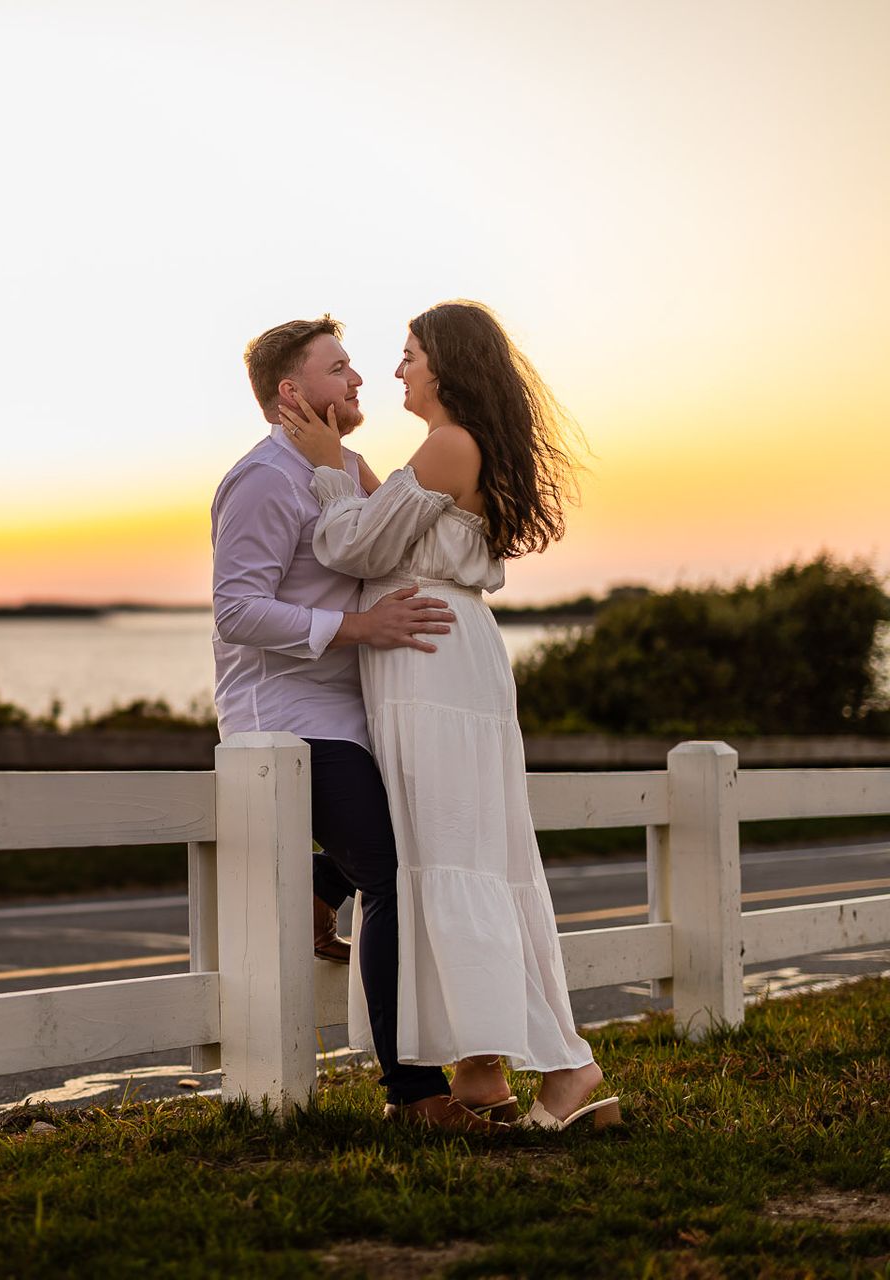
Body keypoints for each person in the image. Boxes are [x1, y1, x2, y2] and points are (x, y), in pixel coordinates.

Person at [279, 300, 618, 1130]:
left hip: (432, 662)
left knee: (451, 853)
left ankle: (569, 1067)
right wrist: (352, 470)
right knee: (451, 851)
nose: (397, 369)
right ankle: (478, 1073)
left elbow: (353, 546)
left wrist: (328, 469)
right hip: (435, 655)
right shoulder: (449, 448)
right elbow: (389, 525)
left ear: (447, 365)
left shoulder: (449, 443)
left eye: (410, 354)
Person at [213, 315, 503, 1132]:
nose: (360, 379)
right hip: (289, 720)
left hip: (359, 710)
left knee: (419, 840)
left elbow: (392, 547)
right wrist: (359, 628)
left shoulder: (344, 467)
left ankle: (319, 888)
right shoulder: (262, 479)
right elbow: (237, 610)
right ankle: (414, 1096)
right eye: (339, 368)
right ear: (292, 391)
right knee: (393, 875)